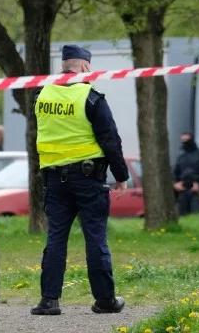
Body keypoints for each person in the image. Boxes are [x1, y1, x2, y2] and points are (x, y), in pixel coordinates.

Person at [31, 44, 128, 316]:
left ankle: (49, 300)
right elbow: (110, 140)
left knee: (56, 238)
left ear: (64, 65)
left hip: (54, 179)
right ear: (85, 66)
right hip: (88, 179)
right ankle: (105, 300)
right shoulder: (91, 97)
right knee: (95, 238)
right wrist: (121, 176)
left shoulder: (42, 95)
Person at [172, 132, 199, 215]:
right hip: (183, 190)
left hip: (198, 191)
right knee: (183, 215)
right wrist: (176, 184)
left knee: (197, 214)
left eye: (187, 140)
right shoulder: (181, 157)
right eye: (183, 140)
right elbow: (176, 172)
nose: (185, 142)